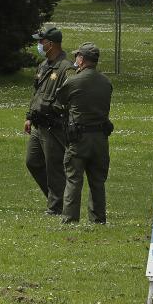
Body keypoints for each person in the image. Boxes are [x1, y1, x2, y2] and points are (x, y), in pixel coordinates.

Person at [55, 43, 113, 224]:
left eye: (77, 56)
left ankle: (70, 218)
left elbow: (60, 100)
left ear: (82, 59)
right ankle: (98, 218)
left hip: (79, 138)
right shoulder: (106, 82)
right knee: (98, 181)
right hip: (101, 138)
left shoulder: (74, 81)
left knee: (74, 179)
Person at [24, 27, 76, 215]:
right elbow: (36, 92)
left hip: (53, 125)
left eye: (41, 41)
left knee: (54, 166)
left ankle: (56, 207)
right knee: (32, 161)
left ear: (51, 44)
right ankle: (55, 198)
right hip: (38, 124)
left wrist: (54, 111)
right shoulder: (44, 65)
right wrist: (29, 116)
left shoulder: (66, 68)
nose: (39, 44)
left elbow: (69, 96)